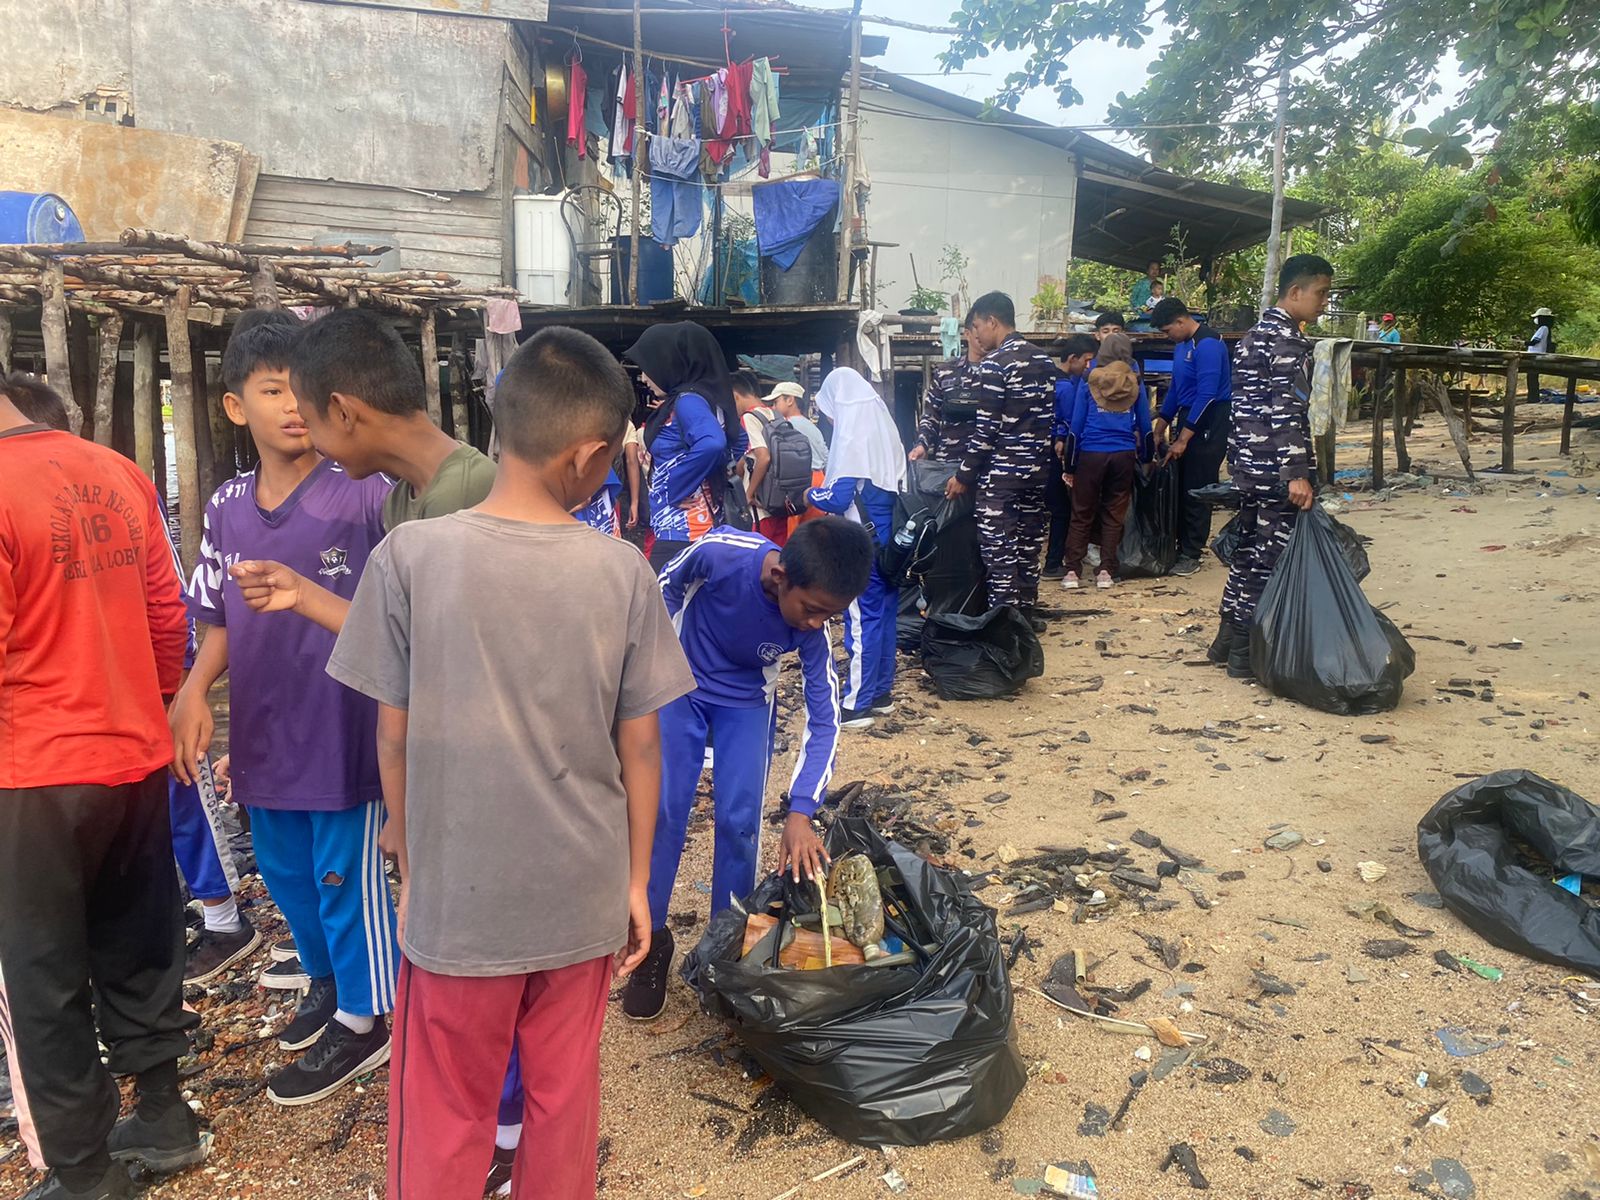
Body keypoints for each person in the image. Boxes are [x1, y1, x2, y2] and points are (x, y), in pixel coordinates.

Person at [326, 327, 695, 1200]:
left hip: (459, 908)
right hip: (580, 900)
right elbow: (643, 745)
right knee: (563, 1105)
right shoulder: (623, 573)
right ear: (590, 456)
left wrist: (410, 858)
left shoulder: (409, 557)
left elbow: (392, 738)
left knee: (444, 1110)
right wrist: (636, 881)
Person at [168, 313, 398, 1107]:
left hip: (344, 731)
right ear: (236, 407)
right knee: (287, 872)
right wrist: (194, 691)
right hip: (265, 729)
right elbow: (218, 618)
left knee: (344, 876)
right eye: (272, 390)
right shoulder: (228, 507)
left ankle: (367, 1016)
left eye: (302, 388)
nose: (293, 405)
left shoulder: (364, 493)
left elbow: (403, 613)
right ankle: (329, 982)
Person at [0, 374, 201, 1200]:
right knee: (137, 941)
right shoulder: (116, 471)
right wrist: (148, 703)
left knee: (40, 977)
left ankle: (84, 1173)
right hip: (133, 757)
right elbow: (167, 613)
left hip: (32, 773)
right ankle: (163, 1113)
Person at [0, 376, 256, 988]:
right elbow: (166, 600)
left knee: (183, 795)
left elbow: (169, 603)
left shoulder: (55, 486)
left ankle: (224, 917)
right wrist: (169, 687)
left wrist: (178, 691)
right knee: (136, 890)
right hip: (132, 709)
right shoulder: (118, 476)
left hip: (66, 741)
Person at [622, 517, 873, 1021]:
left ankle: (723, 951)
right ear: (780, 577)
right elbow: (661, 589)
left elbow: (825, 720)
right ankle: (650, 941)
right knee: (663, 812)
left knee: (740, 822)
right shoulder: (721, 552)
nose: (815, 624)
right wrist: (651, 666)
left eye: (829, 615)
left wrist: (801, 811)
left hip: (746, 702)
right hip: (680, 687)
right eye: (812, 610)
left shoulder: (812, 629)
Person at [223, 308, 498, 646]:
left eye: (311, 422)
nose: (312, 440)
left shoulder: (464, 496)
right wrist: (300, 593)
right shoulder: (402, 499)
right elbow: (398, 628)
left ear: (343, 413)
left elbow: (429, 646)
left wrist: (303, 595)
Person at [1216, 254, 1333, 678]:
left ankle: (1226, 640)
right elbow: (1286, 411)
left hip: (1249, 466)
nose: (1325, 303)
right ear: (1295, 292)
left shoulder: (1251, 337)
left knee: (1249, 551)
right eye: (1321, 293)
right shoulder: (1288, 342)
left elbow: (1242, 408)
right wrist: (1297, 474)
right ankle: (1244, 653)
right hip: (1276, 470)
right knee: (1269, 559)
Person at [946, 291, 1058, 630]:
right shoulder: (1044, 361)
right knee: (1028, 544)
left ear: (992, 322)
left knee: (999, 549)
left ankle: (1005, 624)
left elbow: (986, 430)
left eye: (978, 327)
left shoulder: (995, 364)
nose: (977, 336)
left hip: (1002, 476)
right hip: (1037, 471)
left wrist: (964, 474)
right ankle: (1026, 615)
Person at [806, 368, 907, 727]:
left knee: (862, 620)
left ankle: (856, 703)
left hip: (862, 542)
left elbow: (838, 498)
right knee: (885, 614)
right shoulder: (885, 430)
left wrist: (809, 493)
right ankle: (880, 693)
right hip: (890, 539)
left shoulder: (852, 439)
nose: (831, 418)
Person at [625, 322, 739, 570]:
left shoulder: (688, 401)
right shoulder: (707, 399)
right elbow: (737, 441)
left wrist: (677, 486)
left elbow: (712, 443)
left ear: (669, 363)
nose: (644, 378)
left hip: (681, 529)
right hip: (699, 525)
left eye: (648, 368)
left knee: (659, 593)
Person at [1151, 296, 1233, 576]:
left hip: (1210, 419)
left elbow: (1207, 395)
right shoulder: (1181, 345)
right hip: (1188, 415)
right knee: (1181, 485)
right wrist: (1161, 424)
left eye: (1167, 330)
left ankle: (1192, 552)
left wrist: (1184, 438)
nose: (1167, 336)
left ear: (1180, 321)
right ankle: (1179, 545)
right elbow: (1177, 388)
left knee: (1198, 486)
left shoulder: (1208, 344)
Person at [1062, 358, 1152, 590]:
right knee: (1114, 514)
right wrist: (1146, 458)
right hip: (1123, 455)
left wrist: (1070, 467)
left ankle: (1072, 571)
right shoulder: (1135, 384)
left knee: (1081, 512)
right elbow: (1145, 427)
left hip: (1091, 454)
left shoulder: (1088, 383)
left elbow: (1075, 429)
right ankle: (1106, 572)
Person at [1043, 333, 1098, 579]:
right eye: (1086, 360)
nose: (1088, 366)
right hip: (1053, 453)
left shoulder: (1048, 378)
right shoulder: (1065, 387)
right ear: (1073, 358)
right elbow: (1069, 420)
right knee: (1061, 509)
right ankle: (1053, 563)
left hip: (1034, 451)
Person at [910, 312, 984, 463]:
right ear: (967, 334)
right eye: (979, 335)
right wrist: (922, 444)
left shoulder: (999, 372)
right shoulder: (946, 372)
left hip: (986, 464)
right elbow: (931, 416)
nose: (984, 339)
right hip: (948, 463)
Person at [733, 368, 789, 545]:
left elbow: (764, 457)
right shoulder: (775, 415)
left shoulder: (749, 417)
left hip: (760, 509)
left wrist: (748, 494)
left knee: (757, 555)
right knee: (777, 555)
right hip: (779, 504)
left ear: (735, 396)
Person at [767, 381, 827, 477]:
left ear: (790, 400)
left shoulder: (786, 426)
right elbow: (825, 455)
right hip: (820, 477)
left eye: (776, 402)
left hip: (802, 478)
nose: (773, 407)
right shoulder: (811, 426)